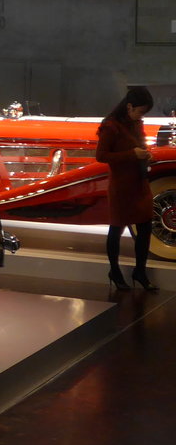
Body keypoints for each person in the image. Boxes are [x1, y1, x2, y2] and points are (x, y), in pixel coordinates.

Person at [96, 85, 157, 291]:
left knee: (146, 227)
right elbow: (101, 156)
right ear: (129, 106)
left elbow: (139, 146)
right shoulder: (111, 126)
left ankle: (140, 271)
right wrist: (133, 154)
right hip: (121, 186)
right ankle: (114, 270)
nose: (141, 116)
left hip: (139, 183)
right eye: (140, 111)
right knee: (117, 229)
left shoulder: (136, 123)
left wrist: (145, 154)